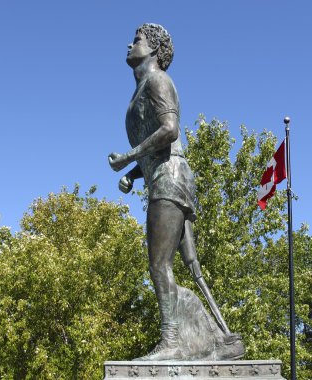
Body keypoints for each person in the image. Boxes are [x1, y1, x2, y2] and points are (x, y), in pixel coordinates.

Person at [108, 23, 240, 361]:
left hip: (171, 179)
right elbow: (160, 147)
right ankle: (215, 340)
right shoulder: (141, 89)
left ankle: (172, 342)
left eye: (136, 39)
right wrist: (136, 175)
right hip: (163, 177)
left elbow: (170, 130)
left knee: (158, 264)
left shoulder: (158, 81)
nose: (129, 43)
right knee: (185, 263)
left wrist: (128, 157)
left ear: (153, 49)